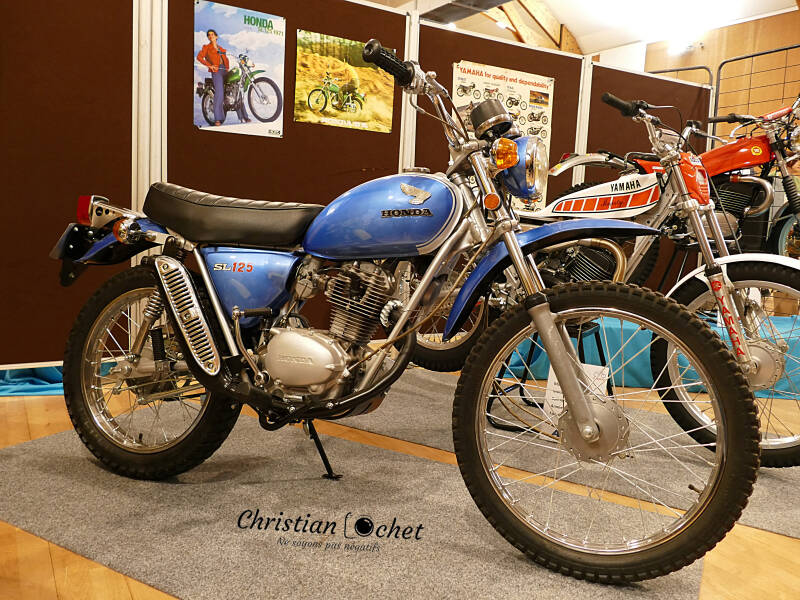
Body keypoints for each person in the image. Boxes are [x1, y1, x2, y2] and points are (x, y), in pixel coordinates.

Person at [196, 29, 249, 126]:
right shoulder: (206, 47)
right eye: (209, 35)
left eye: (212, 34)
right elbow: (199, 57)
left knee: (236, 89)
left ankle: (244, 116)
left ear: (216, 37)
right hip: (216, 72)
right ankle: (218, 118)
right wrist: (210, 65)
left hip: (225, 70)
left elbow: (228, 57)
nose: (210, 36)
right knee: (219, 93)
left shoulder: (221, 49)